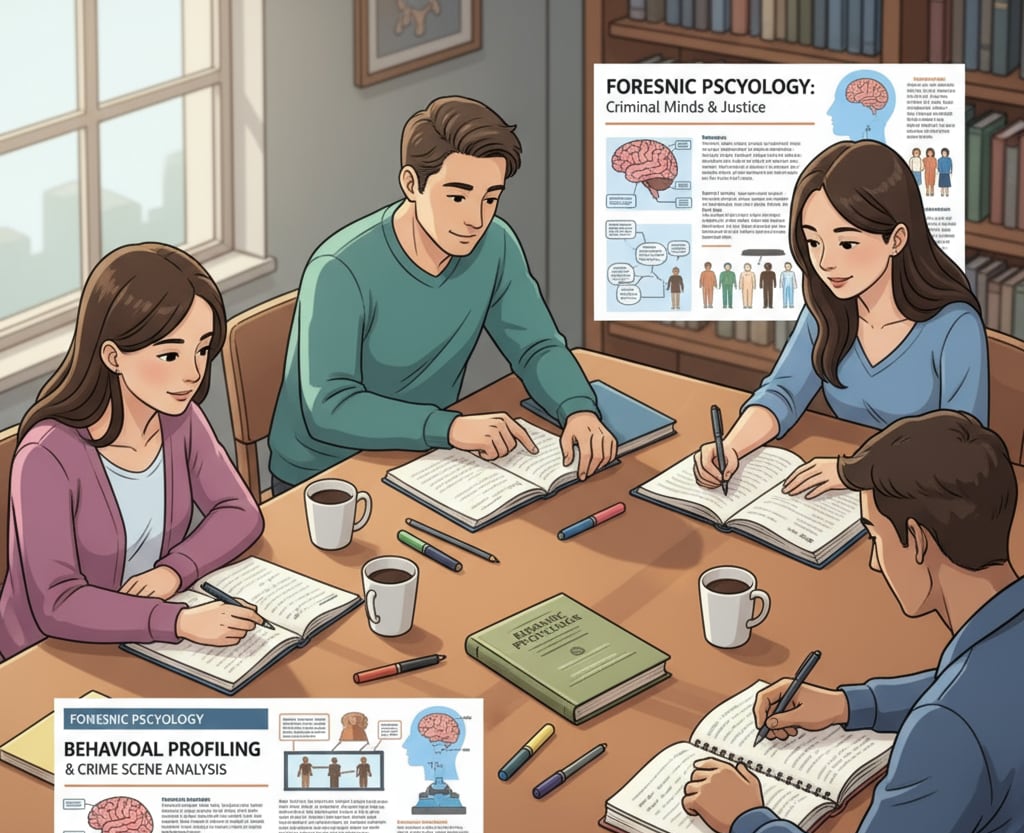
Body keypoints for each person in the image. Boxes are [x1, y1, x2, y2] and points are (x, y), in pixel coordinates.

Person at [683, 410, 1024, 833]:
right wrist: (848, 705)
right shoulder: (1000, 650)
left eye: (873, 536)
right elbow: (981, 687)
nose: (873, 561)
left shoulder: (950, 729)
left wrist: (746, 820)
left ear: (916, 540)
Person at [267, 96, 616, 493]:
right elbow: (330, 407)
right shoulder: (339, 269)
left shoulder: (495, 244)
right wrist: (448, 428)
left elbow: (536, 346)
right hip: (327, 476)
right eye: (457, 196)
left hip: (431, 455)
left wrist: (578, 409)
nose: (475, 219)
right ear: (411, 184)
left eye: (490, 198)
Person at [0, 243, 265, 660]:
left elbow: (240, 511)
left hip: (144, 639)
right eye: (170, 354)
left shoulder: (180, 420)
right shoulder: (46, 457)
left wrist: (174, 570)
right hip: (52, 656)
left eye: (202, 350)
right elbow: (57, 603)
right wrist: (176, 621)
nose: (193, 373)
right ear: (113, 356)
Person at [694, 140, 987, 500]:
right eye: (813, 242)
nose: (825, 263)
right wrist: (732, 447)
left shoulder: (955, 327)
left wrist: (854, 471)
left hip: (921, 500)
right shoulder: (828, 308)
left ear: (896, 239)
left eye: (846, 244)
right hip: (841, 493)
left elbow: (961, 449)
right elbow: (783, 392)